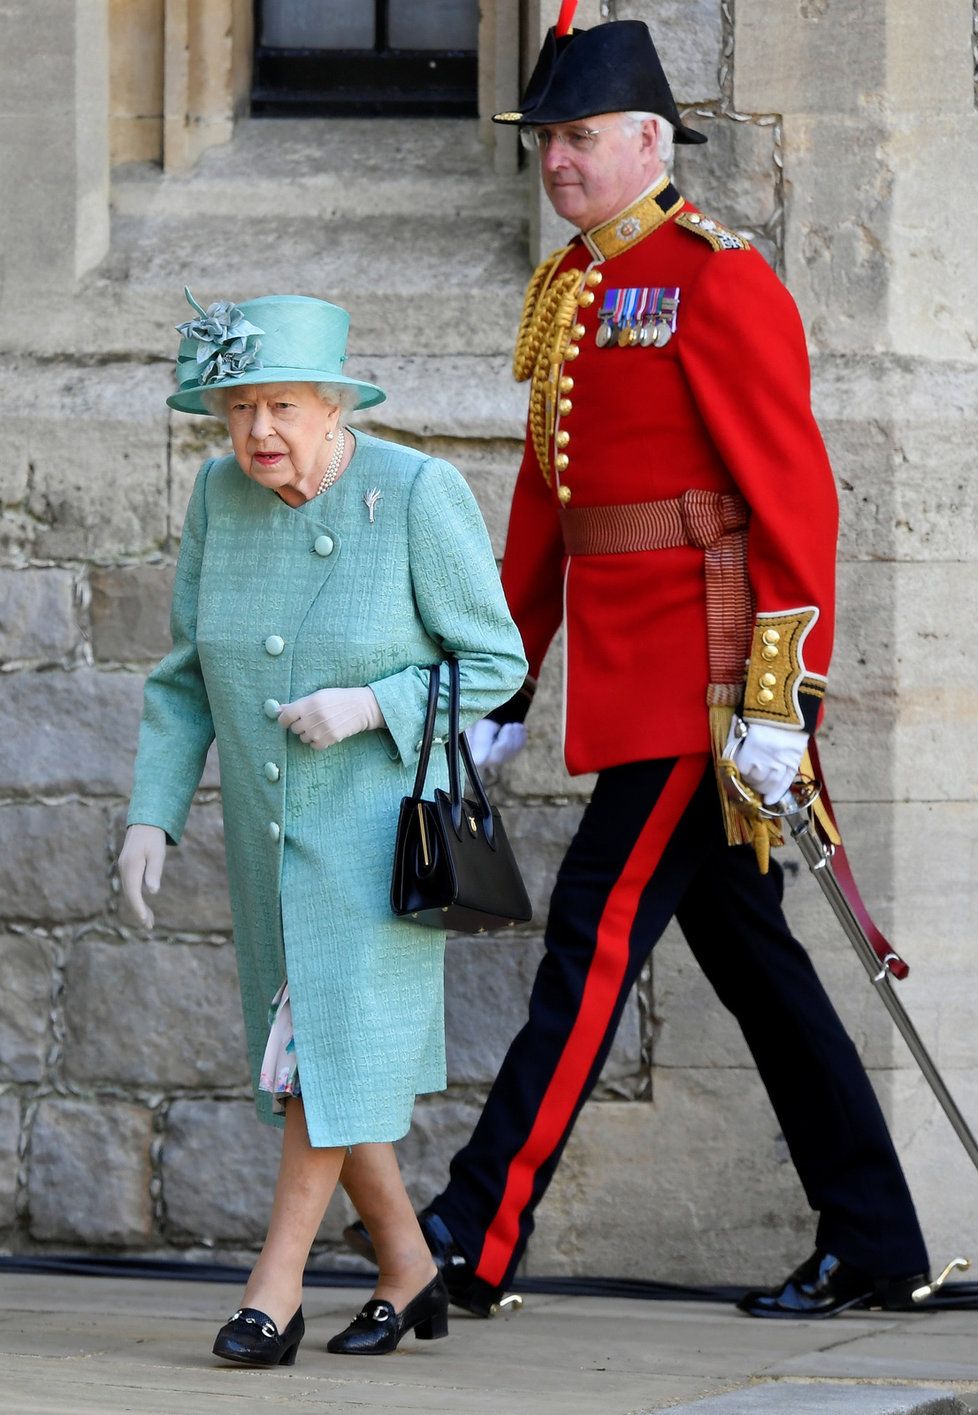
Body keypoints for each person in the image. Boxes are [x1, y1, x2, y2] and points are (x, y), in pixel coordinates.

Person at [342, 12, 931, 1321]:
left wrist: (781, 700)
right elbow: (552, 505)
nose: (557, 159)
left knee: (589, 939)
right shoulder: (574, 285)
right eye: (545, 138)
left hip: (704, 688)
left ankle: (471, 1232)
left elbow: (793, 505)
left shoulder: (715, 277)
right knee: (752, 960)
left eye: (580, 136)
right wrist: (502, 680)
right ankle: (875, 1236)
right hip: (634, 676)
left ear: (650, 141)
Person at [118, 289, 527, 1364]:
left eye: (283, 406)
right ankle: (410, 1264)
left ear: (335, 405)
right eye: (238, 407)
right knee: (327, 1059)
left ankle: (276, 1287)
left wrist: (370, 705)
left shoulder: (416, 491)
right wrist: (151, 814)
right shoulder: (219, 495)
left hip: (376, 838)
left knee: (312, 1057)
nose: (258, 431)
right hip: (268, 845)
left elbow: (496, 660)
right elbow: (180, 681)